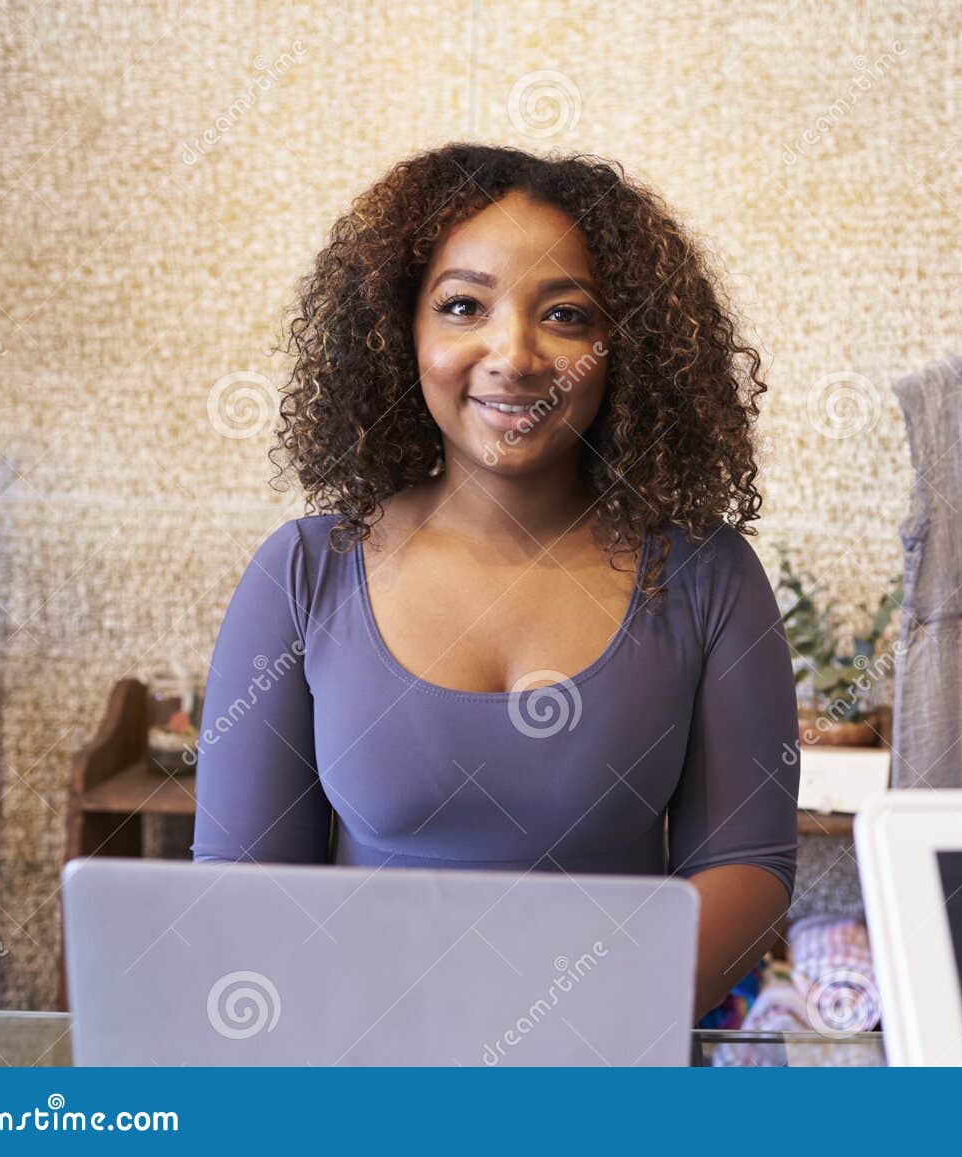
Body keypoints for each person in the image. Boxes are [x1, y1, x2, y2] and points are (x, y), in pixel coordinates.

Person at [190, 143, 800, 1021]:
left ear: (626, 345)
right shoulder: (305, 572)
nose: (513, 354)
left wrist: (574, 1027)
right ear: (401, 330)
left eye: (565, 314)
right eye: (463, 305)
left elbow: (747, 869)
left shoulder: (706, 577)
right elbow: (244, 889)